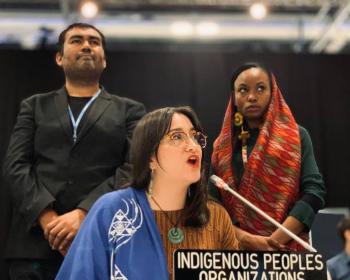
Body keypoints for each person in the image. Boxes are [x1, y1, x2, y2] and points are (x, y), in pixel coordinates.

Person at [2, 22, 145, 279]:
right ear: (59, 57)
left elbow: (133, 167)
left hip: (101, 242)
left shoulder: (130, 111)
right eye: (77, 40)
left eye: (94, 41)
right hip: (34, 246)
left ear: (104, 60)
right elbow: (16, 166)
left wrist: (85, 215)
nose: (87, 45)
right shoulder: (34, 106)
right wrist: (48, 220)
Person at [56, 106, 240, 279]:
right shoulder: (113, 211)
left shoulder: (215, 217)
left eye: (195, 137)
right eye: (177, 137)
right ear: (150, 157)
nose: (192, 146)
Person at [210, 63, 326, 251]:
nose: (252, 97)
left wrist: (274, 241)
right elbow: (211, 205)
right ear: (234, 98)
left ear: (273, 93)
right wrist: (247, 240)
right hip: (236, 254)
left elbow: (314, 192)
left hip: (288, 252)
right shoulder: (222, 147)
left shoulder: (296, 136)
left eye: (261, 88)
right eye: (243, 90)